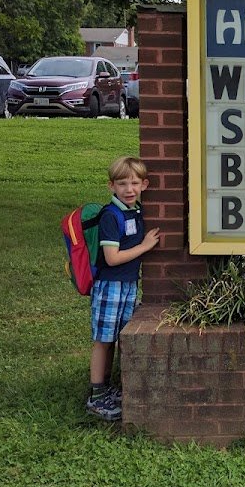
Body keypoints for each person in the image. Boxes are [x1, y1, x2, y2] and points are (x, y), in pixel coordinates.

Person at [86, 155, 160, 421]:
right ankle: (96, 396)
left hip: (128, 285)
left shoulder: (135, 211)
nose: (129, 189)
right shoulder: (111, 215)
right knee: (103, 341)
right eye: (122, 184)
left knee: (117, 338)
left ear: (144, 185)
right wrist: (144, 247)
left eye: (134, 183)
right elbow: (112, 258)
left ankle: (107, 388)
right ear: (111, 186)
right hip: (110, 287)